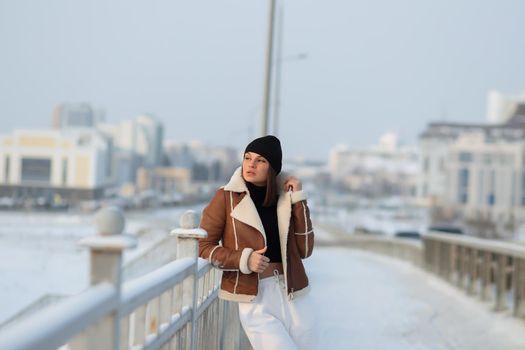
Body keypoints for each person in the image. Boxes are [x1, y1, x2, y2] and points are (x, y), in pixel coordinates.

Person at [198, 135, 316, 350]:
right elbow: (203, 246)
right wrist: (244, 259)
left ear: (272, 168)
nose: (250, 164)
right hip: (255, 294)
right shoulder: (226, 197)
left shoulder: (286, 197)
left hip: (293, 292)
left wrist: (298, 199)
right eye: (247, 158)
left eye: (260, 160)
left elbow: (305, 249)